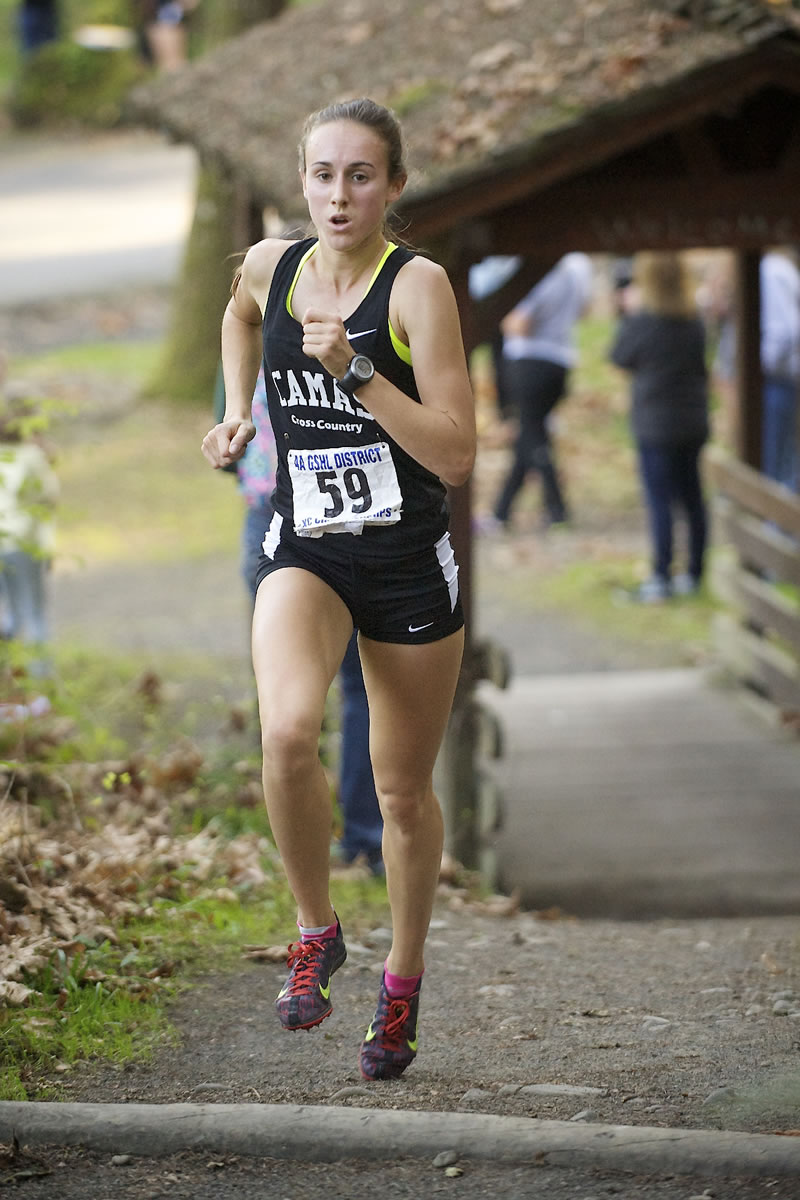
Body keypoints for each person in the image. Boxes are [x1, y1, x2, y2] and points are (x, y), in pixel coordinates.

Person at [201, 98, 476, 1080]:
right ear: (301, 180)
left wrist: (356, 370)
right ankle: (315, 930)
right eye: (322, 174)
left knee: (400, 794)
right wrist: (237, 413)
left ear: (393, 186)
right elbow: (234, 314)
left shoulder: (417, 287)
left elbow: (454, 452)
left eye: (361, 175)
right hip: (305, 545)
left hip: (404, 559)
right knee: (284, 734)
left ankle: (399, 987)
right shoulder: (273, 267)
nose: (338, 194)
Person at [218, 361, 384, 873]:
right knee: (362, 687)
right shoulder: (350, 334)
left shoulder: (250, 346)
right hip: (345, 514)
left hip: (270, 513)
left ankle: (295, 835)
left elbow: (227, 447)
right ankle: (365, 838)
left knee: (284, 696)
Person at [610, 251, 710, 603]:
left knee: (660, 500)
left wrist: (627, 311)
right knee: (693, 497)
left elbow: (619, 356)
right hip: (693, 420)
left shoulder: (644, 320)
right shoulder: (693, 319)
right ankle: (695, 570)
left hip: (656, 425)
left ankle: (661, 575)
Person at [485, 252, 593, 531]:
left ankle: (554, 509)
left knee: (533, 437)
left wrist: (495, 317)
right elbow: (585, 309)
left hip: (530, 362)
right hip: (561, 358)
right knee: (532, 436)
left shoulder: (539, 272)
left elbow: (520, 323)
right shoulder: (576, 268)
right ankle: (503, 511)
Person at [0, 387, 59, 657]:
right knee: (34, 613)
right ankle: (39, 684)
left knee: (8, 611)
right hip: (25, 545)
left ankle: (10, 675)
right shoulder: (31, 457)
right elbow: (48, 499)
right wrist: (48, 548)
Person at [759, 249, 800, 492]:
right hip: (783, 379)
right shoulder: (781, 268)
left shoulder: (771, 269)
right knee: (785, 459)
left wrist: (759, 365)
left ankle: (778, 528)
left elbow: (787, 331)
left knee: (777, 465)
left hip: (777, 380)